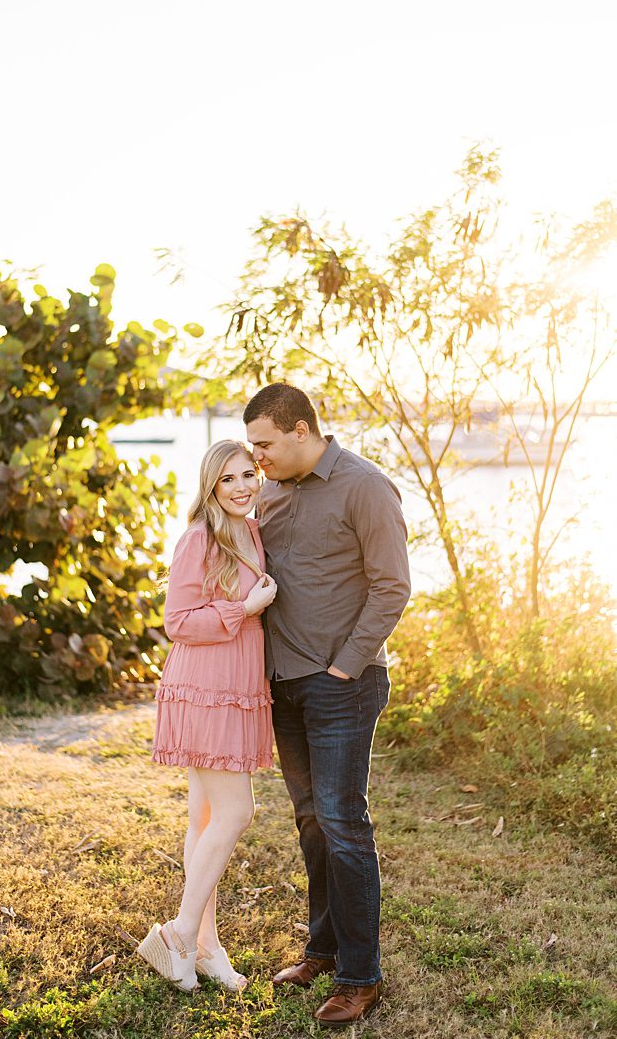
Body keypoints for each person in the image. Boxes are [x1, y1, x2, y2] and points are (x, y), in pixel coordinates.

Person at [243, 383, 411, 1027]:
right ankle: (322, 948)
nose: (256, 456)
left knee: (343, 821)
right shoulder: (270, 490)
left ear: (302, 429)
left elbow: (391, 586)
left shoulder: (365, 486)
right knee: (311, 820)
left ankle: (361, 976)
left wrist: (346, 663)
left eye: (264, 443)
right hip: (284, 683)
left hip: (343, 683)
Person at [136, 439, 277, 993]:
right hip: (204, 685)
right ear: (210, 486)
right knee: (236, 812)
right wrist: (243, 610)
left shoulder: (252, 530)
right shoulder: (199, 537)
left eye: (249, 475)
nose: (242, 487)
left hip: (236, 683)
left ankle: (207, 948)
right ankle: (180, 931)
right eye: (229, 480)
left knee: (203, 820)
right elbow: (177, 620)